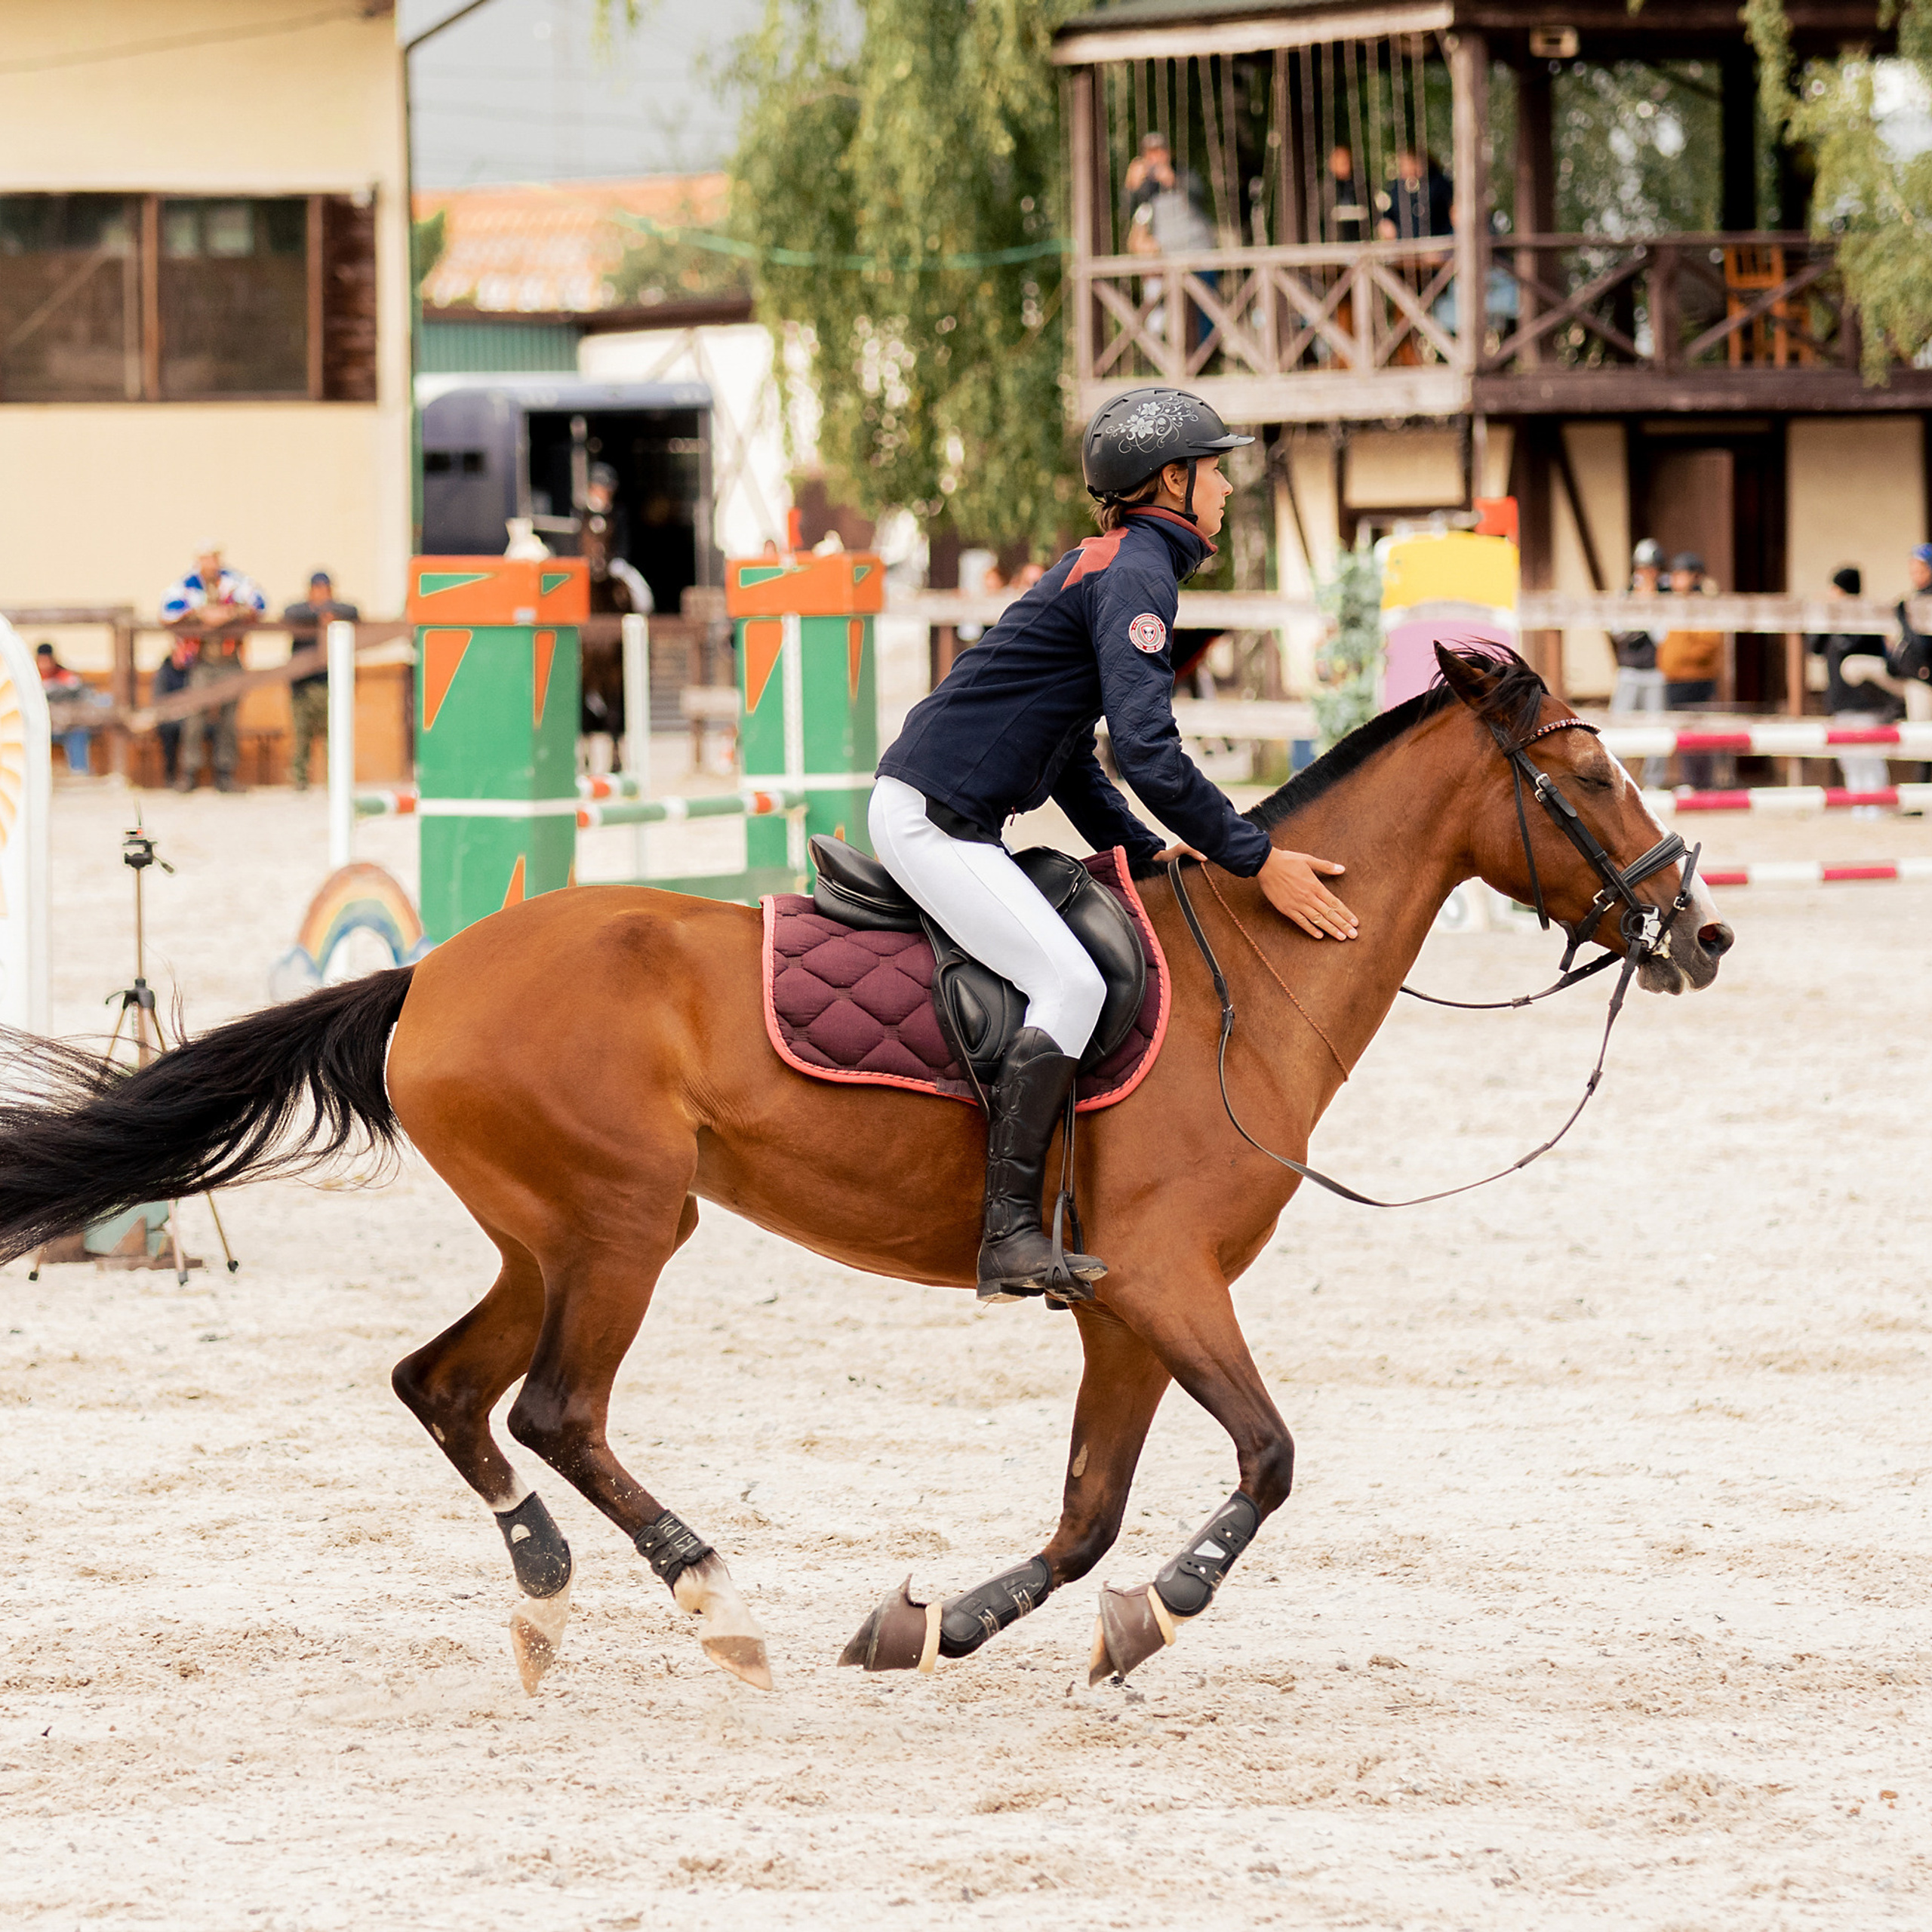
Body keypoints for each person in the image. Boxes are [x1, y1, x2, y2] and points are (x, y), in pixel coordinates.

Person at [872, 386, 1357, 1305]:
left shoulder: (1118, 561)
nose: (1226, 488)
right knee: (1071, 982)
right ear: (1172, 481)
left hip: (948, 810)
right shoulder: (1137, 573)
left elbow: (1067, 754)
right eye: (1214, 470)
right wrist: (1253, 856)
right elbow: (1147, 754)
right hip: (932, 819)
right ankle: (1009, 1233)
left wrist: (1139, 850)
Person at [161, 543, 266, 793]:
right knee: (194, 716)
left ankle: (225, 774)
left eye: (214, 558)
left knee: (229, 718)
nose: (210, 564)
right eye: (205, 559)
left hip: (230, 660)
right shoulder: (187, 586)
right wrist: (201, 614)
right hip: (202, 662)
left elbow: (260, 603)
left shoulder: (235, 582)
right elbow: (167, 609)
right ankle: (189, 773)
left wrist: (229, 613)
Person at [1808, 565, 1900, 807]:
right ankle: (1859, 807)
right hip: (1840, 700)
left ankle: (1876, 807)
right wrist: (1825, 616)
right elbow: (1814, 648)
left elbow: (1854, 646)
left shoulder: (1867, 617)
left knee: (1870, 757)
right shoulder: (1830, 621)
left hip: (1866, 701)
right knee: (1848, 760)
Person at [1122, 132, 1219, 346]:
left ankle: (1209, 352)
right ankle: (1161, 352)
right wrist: (1131, 187)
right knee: (1158, 307)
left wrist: (1175, 181)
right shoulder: (1146, 186)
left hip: (1199, 252)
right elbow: (1129, 213)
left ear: (1168, 153)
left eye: (1160, 152)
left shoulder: (1184, 173)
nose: (1156, 158)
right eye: (1151, 154)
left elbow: (1201, 195)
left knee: (1207, 307)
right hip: (1165, 258)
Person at [280, 571, 359, 793]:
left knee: (334, 736)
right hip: (303, 685)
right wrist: (319, 615)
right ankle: (300, 780)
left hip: (331, 684)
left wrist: (329, 613)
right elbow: (289, 612)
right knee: (301, 736)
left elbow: (353, 611)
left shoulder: (339, 611)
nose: (321, 594)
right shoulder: (301, 613)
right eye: (317, 589)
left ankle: (333, 781)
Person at [1657, 551, 1724, 788]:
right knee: (1683, 733)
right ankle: (1690, 781)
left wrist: (1681, 659)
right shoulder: (1675, 604)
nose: (1675, 580)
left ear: (1695, 577)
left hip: (1696, 678)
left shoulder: (1702, 605)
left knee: (1699, 733)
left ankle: (1700, 783)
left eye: (1681, 574)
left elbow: (1709, 644)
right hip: (1675, 678)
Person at [1608, 538, 1668, 786]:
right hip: (1629, 670)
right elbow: (1618, 630)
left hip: (1655, 671)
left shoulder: (1665, 596)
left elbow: (1661, 636)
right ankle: (1615, 779)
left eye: (1651, 568)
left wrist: (1650, 604)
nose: (1646, 573)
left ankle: (1654, 781)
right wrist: (1638, 605)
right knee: (1617, 726)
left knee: (1657, 729)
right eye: (1642, 568)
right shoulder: (1626, 594)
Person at [35, 642, 103, 775]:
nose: (45, 665)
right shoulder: (32, 677)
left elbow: (82, 692)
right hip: (42, 728)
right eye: (42, 661)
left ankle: (80, 772)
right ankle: (37, 774)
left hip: (66, 725)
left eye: (47, 661)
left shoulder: (65, 676)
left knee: (78, 732)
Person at [1377, 146, 1453, 242]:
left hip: (1437, 242)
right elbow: (1387, 214)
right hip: (1405, 244)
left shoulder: (1438, 183)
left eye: (1407, 163)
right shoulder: (1396, 187)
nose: (1403, 167)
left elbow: (1452, 210)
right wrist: (1386, 224)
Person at [152, 634, 196, 785]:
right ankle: (170, 777)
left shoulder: (192, 671)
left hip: (188, 717)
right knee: (168, 733)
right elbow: (158, 699)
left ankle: (190, 777)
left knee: (196, 727)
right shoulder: (163, 672)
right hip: (168, 719)